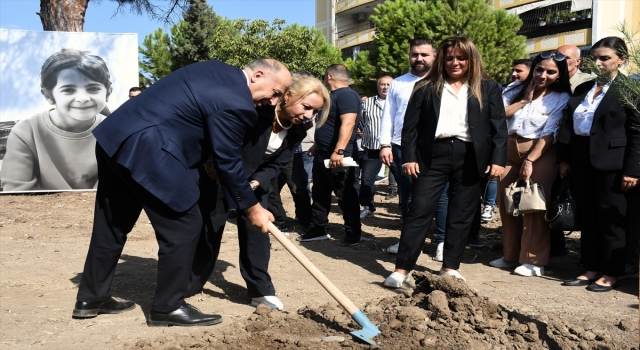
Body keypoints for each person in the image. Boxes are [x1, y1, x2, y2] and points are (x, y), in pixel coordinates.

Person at [72, 58, 291, 327]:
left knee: (112, 224)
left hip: (114, 138)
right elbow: (228, 162)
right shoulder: (238, 102)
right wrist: (253, 208)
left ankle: (91, 298)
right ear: (258, 75)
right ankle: (168, 307)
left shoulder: (215, 68)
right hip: (148, 148)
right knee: (186, 225)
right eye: (276, 92)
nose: (273, 101)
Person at [188, 76, 330, 310]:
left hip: (254, 184)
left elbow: (276, 165)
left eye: (314, 112)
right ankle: (190, 283)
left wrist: (255, 182)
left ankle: (260, 291)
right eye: (306, 107)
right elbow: (224, 142)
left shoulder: (297, 131)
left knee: (257, 234)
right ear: (288, 96)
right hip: (221, 177)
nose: (308, 116)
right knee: (209, 230)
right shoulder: (256, 113)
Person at [383, 36, 507, 287]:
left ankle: (450, 267)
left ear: (471, 59)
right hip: (432, 156)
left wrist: (498, 159)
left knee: (462, 214)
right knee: (419, 210)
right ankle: (402, 269)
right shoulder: (425, 86)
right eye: (449, 57)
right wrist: (408, 158)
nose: (455, 62)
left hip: (472, 156)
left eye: (461, 58)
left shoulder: (488, 87)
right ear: (441, 59)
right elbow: (410, 128)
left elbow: (499, 127)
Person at [558, 37, 640, 292]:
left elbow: (637, 132)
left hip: (614, 163)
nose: (598, 62)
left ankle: (612, 272)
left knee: (611, 219)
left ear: (621, 60)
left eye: (605, 58)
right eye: (594, 57)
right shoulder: (583, 89)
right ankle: (591, 268)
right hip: (582, 160)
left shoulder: (628, 90)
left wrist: (632, 169)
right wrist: (565, 159)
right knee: (589, 216)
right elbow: (569, 125)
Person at [490, 52, 571, 277]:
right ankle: (511, 255)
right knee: (508, 203)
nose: (543, 75)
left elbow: (550, 131)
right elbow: (498, 116)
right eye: (539, 69)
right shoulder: (513, 90)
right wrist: (524, 100)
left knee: (533, 204)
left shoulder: (561, 97)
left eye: (550, 71)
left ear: (559, 75)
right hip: (508, 148)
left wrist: (530, 160)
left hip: (540, 151)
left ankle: (534, 260)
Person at [1, 49, 111, 192]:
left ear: (108, 92)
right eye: (68, 90)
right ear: (49, 95)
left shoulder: (116, 131)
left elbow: (116, 188)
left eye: (93, 88)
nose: (83, 98)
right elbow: (16, 191)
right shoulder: (26, 132)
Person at [378, 38, 439, 255]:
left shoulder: (442, 81)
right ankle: (408, 240)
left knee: (440, 197)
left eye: (424, 54)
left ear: (434, 56)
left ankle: (440, 241)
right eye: (415, 54)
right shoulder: (398, 83)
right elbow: (389, 115)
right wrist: (385, 144)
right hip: (401, 146)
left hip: (435, 147)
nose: (419, 58)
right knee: (407, 196)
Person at [298, 64, 362, 246]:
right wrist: (317, 145)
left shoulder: (347, 95)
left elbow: (348, 124)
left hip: (339, 157)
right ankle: (318, 228)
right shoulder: (332, 96)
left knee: (345, 195)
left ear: (329, 77)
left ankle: (353, 232)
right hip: (323, 155)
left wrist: (339, 151)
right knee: (320, 193)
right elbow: (330, 125)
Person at [359, 75, 393, 219]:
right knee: (367, 179)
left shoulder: (398, 102)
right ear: (378, 86)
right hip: (372, 148)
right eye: (382, 84)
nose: (385, 87)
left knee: (404, 179)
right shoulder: (367, 103)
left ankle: (404, 208)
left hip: (394, 148)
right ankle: (368, 206)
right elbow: (360, 121)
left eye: (388, 85)